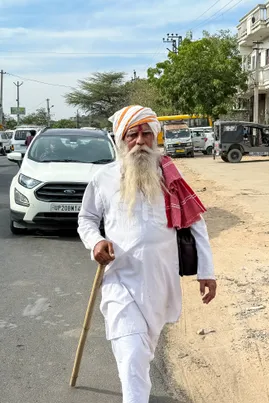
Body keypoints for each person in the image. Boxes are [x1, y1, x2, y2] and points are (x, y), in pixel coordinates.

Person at [78, 105, 216, 403]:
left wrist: (207, 271)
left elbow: (196, 224)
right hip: (120, 284)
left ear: (156, 137)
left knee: (143, 354)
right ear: (120, 139)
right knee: (132, 358)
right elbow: (87, 219)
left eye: (146, 134)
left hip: (160, 282)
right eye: (132, 134)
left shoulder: (170, 175)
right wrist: (96, 242)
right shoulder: (103, 178)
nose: (140, 141)